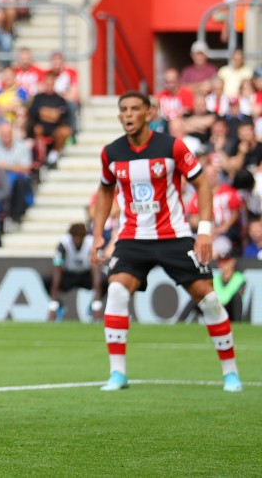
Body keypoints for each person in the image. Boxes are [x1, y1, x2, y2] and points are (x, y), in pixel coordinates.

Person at [91, 91, 242, 393]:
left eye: (135, 109)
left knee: (210, 299)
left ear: (149, 114)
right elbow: (106, 189)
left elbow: (202, 184)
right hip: (132, 237)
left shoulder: (172, 147)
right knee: (117, 292)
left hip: (174, 235)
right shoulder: (111, 153)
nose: (129, 114)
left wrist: (205, 231)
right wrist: (98, 233)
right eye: (123, 110)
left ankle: (231, 373)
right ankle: (117, 374)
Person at [45, 222, 103, 321]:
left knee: (105, 279)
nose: (77, 240)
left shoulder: (91, 244)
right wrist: (52, 307)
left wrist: (96, 306)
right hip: (68, 275)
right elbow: (57, 270)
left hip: (86, 275)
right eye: (75, 237)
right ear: (70, 236)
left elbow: (96, 274)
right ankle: (58, 306)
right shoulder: (63, 244)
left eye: (80, 237)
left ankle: (92, 307)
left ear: (84, 237)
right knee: (48, 279)